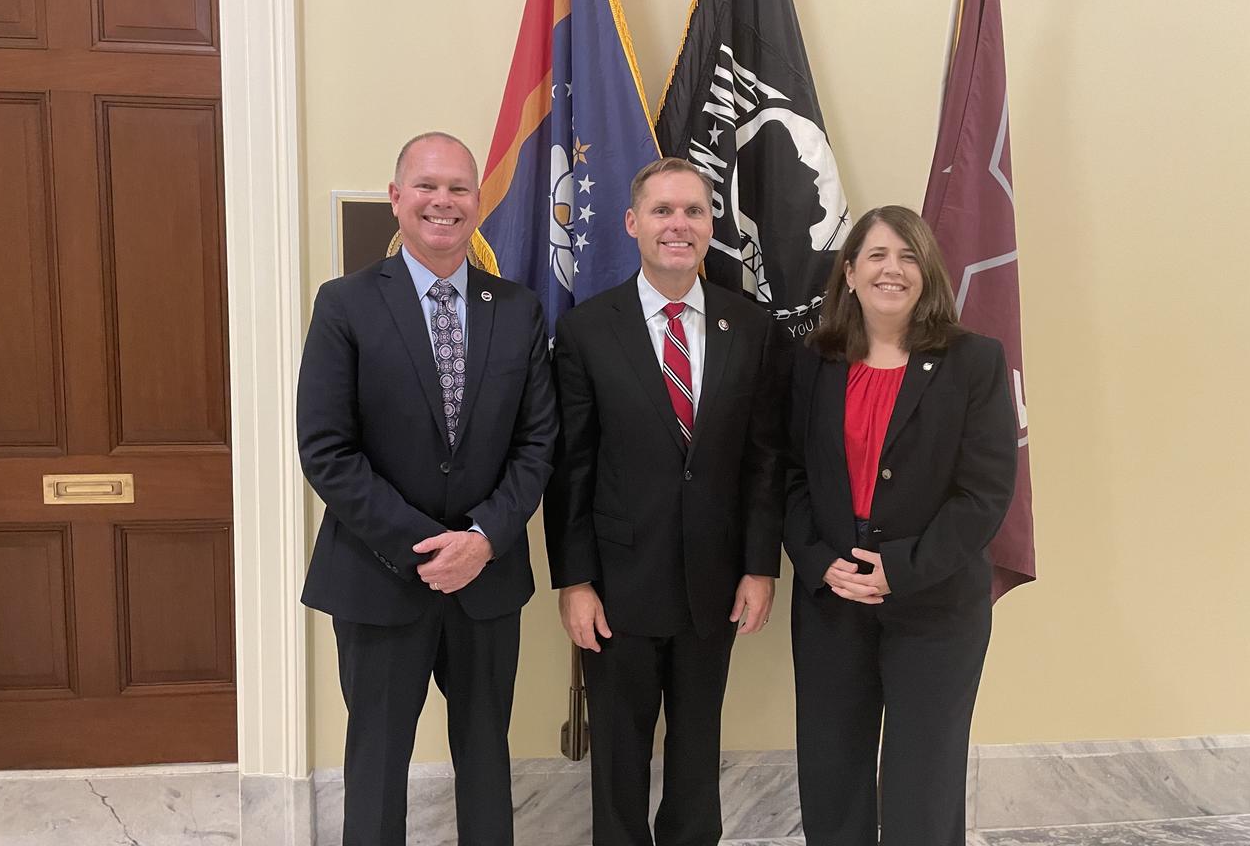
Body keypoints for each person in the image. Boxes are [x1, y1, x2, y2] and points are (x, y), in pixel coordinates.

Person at [297, 132, 557, 846]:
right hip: (378, 581)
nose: (443, 201)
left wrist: (481, 539)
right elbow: (326, 449)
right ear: (397, 197)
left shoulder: (519, 308)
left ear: (477, 203)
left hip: (487, 579)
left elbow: (538, 444)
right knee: (376, 767)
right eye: (427, 186)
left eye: (458, 189)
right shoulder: (345, 304)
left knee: (486, 762)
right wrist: (425, 547)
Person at [544, 157, 784, 846]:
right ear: (632, 223)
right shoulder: (589, 330)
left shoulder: (752, 327)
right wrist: (576, 580)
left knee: (697, 754)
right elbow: (572, 468)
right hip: (617, 586)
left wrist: (760, 566)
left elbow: (765, 459)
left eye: (694, 211)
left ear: (711, 226)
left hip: (714, 583)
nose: (678, 225)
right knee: (618, 759)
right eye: (662, 211)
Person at [783, 204, 1018, 846]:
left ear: (928, 273)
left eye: (909, 256)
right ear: (850, 274)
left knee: (924, 783)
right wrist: (817, 558)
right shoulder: (813, 361)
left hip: (935, 605)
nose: (894, 269)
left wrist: (903, 568)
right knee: (832, 778)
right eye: (878, 256)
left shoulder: (975, 361)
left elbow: (986, 491)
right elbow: (790, 477)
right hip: (834, 600)